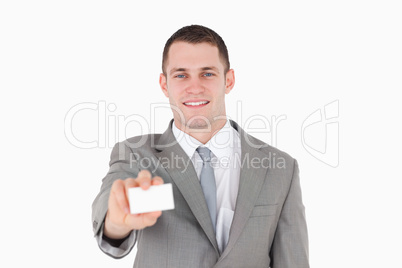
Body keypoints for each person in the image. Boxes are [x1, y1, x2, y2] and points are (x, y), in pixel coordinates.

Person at [92, 25, 309, 267]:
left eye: (207, 74)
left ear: (229, 80)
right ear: (164, 85)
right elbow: (112, 202)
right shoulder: (135, 154)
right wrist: (116, 221)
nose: (194, 88)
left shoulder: (280, 168)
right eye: (181, 75)